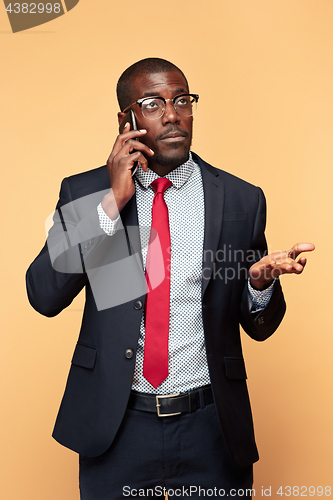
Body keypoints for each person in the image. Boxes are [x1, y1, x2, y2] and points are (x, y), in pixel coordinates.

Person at [26, 58, 314, 500]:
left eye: (182, 100)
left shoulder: (240, 198)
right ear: (127, 120)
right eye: (152, 103)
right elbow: (44, 293)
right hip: (116, 428)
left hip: (212, 429)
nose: (172, 114)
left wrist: (258, 284)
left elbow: (259, 326)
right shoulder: (86, 193)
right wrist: (111, 202)